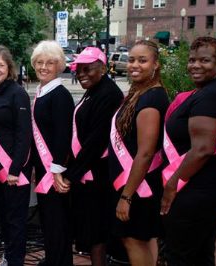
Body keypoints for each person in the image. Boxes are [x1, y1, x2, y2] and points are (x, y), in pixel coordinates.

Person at [159, 37, 216, 266]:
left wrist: (172, 185)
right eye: (192, 60)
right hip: (203, 191)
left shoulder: (212, 94)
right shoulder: (210, 91)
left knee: (179, 256)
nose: (195, 65)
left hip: (193, 192)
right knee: (200, 256)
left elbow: (203, 149)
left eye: (205, 60)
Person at [107, 40, 169, 265]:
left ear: (156, 64)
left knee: (133, 240)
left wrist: (126, 197)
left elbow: (145, 152)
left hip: (138, 188)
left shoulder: (151, 98)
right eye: (132, 59)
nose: (135, 65)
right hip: (138, 184)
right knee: (145, 239)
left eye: (143, 60)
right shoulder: (141, 92)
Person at [65, 47, 124, 266]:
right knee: (92, 234)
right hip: (87, 173)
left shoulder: (109, 94)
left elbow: (96, 141)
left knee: (97, 234)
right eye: (78, 69)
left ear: (102, 67)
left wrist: (71, 175)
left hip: (97, 175)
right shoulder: (95, 90)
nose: (81, 74)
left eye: (87, 69)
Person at [0, 45, 33, 266]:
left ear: (9, 67)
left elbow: (24, 134)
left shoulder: (18, 94)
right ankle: (9, 255)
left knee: (16, 220)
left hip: (14, 169)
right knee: (4, 217)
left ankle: (16, 261)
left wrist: (15, 169)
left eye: (0, 65)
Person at [30, 40, 76, 266]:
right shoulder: (42, 91)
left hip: (55, 171)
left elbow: (63, 135)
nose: (43, 67)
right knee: (48, 221)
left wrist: (57, 169)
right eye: (39, 62)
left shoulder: (60, 95)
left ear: (59, 66)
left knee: (57, 222)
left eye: (50, 63)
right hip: (44, 169)